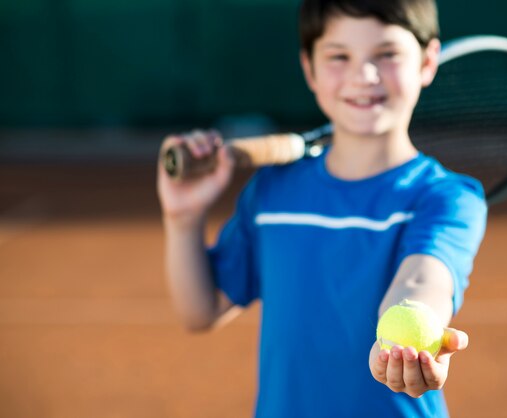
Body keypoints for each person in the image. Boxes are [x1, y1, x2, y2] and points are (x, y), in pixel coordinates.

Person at [157, 0, 487, 416]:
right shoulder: (271, 192)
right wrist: (182, 218)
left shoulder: (446, 198)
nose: (363, 76)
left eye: (386, 54)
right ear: (309, 68)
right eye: (338, 56)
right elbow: (200, 310)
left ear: (427, 61)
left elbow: (424, 282)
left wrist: (406, 333)